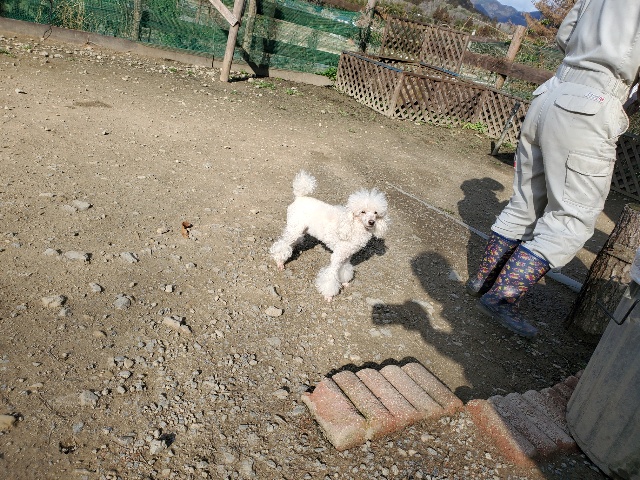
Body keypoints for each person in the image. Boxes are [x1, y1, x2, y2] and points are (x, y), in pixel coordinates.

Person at [467, 0, 640, 338]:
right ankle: (501, 298)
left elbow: (565, 35)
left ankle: (482, 279)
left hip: (551, 91)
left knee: (525, 201)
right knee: (572, 218)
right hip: (594, 103)